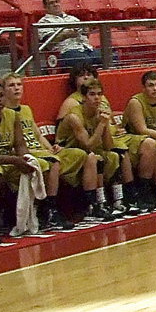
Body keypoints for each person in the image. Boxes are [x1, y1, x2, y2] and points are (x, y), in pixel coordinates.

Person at [0, 79, 71, 238]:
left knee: (41, 166)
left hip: (8, 160)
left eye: (1, 95)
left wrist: (25, 159)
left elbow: (20, 145)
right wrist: (15, 160)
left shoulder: (12, 115)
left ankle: (37, 213)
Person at [2, 73, 103, 225]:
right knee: (54, 162)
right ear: (4, 90)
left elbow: (38, 135)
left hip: (43, 151)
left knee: (85, 155)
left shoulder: (26, 109)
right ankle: (51, 210)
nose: (16, 88)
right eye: (11, 85)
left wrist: (51, 148)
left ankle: (91, 205)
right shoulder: (3, 112)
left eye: (19, 84)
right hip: (27, 155)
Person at [55, 80, 128, 218]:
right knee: (93, 158)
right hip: (67, 151)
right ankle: (94, 204)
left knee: (113, 156)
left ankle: (118, 200)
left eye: (100, 94)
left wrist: (105, 124)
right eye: (92, 94)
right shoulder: (74, 116)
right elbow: (87, 144)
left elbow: (108, 146)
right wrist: (102, 124)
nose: (97, 98)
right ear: (83, 97)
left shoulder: (100, 113)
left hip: (86, 151)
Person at [35, 0, 104, 68]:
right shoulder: (44, 22)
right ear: (46, 7)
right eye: (51, 3)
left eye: (57, 2)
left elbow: (85, 36)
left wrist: (86, 31)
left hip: (85, 48)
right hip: (64, 52)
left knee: (109, 56)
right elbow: (48, 42)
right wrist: (66, 35)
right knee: (85, 61)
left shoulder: (73, 18)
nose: (55, 4)